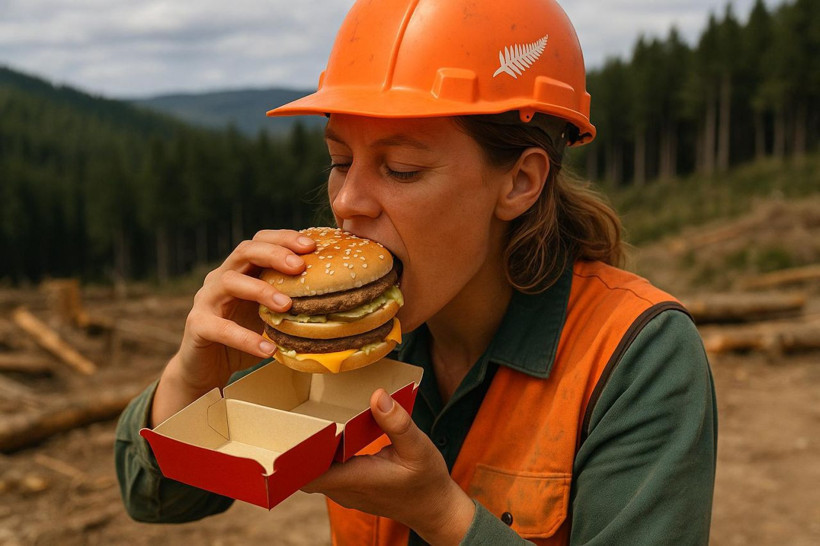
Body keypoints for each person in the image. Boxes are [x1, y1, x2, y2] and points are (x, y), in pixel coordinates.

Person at [115, 0, 717, 544]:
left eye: (401, 168)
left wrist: (441, 515)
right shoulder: (336, 330)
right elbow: (157, 499)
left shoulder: (638, 356)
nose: (348, 201)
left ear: (520, 181)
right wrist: (197, 377)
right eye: (340, 160)